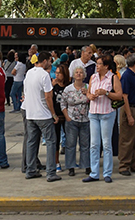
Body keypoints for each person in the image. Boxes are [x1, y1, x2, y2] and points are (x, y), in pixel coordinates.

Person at [22, 51, 61, 181]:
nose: (50, 63)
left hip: (30, 113)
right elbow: (48, 96)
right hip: (43, 114)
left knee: (31, 142)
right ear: (44, 61)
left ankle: (30, 169)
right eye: (49, 61)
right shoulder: (44, 75)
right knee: (51, 142)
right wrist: (53, 114)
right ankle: (51, 172)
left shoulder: (29, 73)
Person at [84, 55, 122, 183]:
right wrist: (91, 96)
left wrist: (105, 93)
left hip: (107, 113)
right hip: (93, 112)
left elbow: (119, 95)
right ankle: (94, 173)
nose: (97, 66)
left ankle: (107, 173)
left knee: (106, 144)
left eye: (100, 64)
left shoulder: (113, 77)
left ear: (106, 66)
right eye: (97, 64)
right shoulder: (93, 77)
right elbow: (88, 92)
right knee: (94, 144)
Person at [62, 64, 91, 177]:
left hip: (85, 120)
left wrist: (87, 94)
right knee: (70, 144)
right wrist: (67, 117)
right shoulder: (68, 89)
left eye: (81, 72)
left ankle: (86, 165)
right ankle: (71, 166)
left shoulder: (88, 87)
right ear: (73, 75)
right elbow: (62, 103)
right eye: (76, 72)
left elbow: (93, 100)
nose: (78, 74)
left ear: (84, 75)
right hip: (72, 119)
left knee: (85, 144)